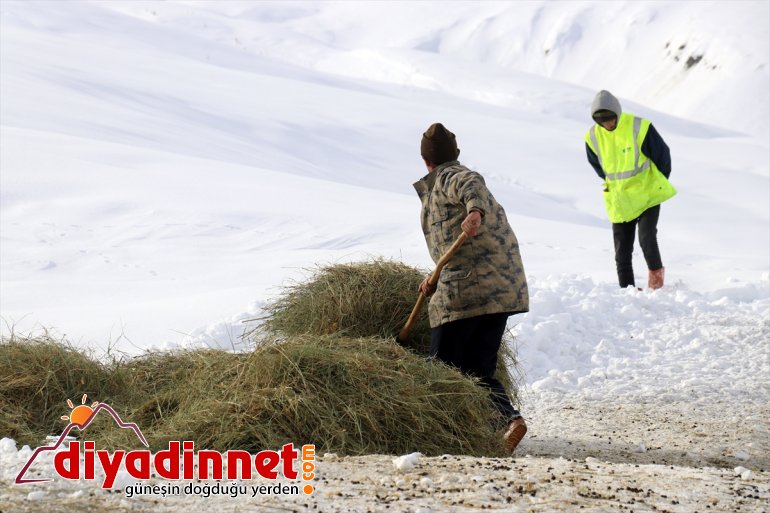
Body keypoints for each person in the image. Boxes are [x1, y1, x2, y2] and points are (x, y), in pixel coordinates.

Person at [414, 122, 529, 453]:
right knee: (478, 369)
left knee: (441, 370)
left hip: (467, 292)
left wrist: (475, 211)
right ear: (456, 153)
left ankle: (439, 437)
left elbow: (470, 185)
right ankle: (508, 422)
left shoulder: (451, 177)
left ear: (426, 161)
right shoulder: (444, 186)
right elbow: (451, 246)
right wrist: (433, 278)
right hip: (501, 288)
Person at [585, 90, 676, 290]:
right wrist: (616, 184)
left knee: (647, 238)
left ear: (617, 112)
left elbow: (663, 156)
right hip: (619, 199)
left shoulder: (639, 127)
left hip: (647, 195)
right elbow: (598, 166)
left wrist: (655, 181)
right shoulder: (592, 136)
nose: (607, 124)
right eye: (601, 121)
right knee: (622, 251)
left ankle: (657, 286)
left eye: (609, 118)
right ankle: (627, 293)